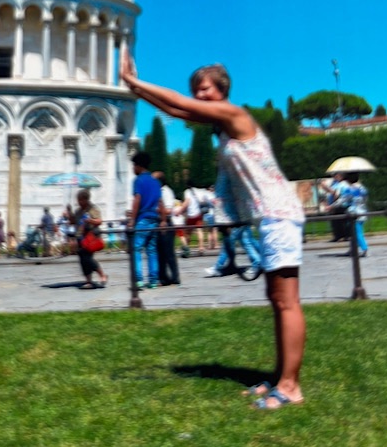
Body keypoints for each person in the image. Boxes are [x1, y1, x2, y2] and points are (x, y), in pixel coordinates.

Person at [121, 54, 306, 410]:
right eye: (196, 91)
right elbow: (177, 111)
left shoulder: (235, 114)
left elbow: (180, 104)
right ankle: (280, 374)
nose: (199, 96)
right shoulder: (221, 126)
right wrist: (135, 88)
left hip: (279, 214)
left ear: (222, 90)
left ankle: (291, 386)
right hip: (267, 218)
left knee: (287, 301)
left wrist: (137, 83)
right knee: (277, 300)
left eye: (204, 89)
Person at [128, 152, 164, 289]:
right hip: (154, 218)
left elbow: (137, 199)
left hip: (142, 218)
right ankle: (153, 280)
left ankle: (138, 279)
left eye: (133, 165)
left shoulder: (138, 181)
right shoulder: (155, 181)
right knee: (152, 250)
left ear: (138, 166)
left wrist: (132, 219)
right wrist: (163, 220)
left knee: (136, 248)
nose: (133, 169)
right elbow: (160, 202)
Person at [72, 189, 108, 289]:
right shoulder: (78, 211)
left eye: (80, 200)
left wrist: (90, 220)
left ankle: (102, 275)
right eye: (78, 200)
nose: (79, 202)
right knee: (82, 260)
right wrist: (69, 213)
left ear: (86, 199)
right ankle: (88, 281)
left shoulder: (93, 209)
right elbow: (73, 222)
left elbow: (99, 221)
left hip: (90, 238)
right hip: (80, 237)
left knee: (87, 258)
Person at [154, 171, 181, 285]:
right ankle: (163, 277)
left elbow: (169, 210)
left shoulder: (166, 192)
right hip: (158, 223)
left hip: (167, 223)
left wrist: (154, 210)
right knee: (160, 252)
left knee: (168, 252)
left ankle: (175, 277)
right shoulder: (157, 192)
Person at [176, 181, 206, 255]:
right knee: (199, 230)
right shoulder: (198, 191)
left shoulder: (187, 192)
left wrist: (180, 211)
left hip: (191, 215)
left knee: (188, 232)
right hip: (198, 214)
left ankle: (186, 247)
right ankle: (201, 248)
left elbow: (187, 202)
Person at [343, 174, 368, 257]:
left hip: (353, 213)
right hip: (363, 212)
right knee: (358, 231)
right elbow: (365, 199)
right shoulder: (362, 188)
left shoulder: (349, 189)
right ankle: (353, 249)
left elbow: (344, 201)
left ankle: (364, 248)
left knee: (357, 233)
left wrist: (331, 206)